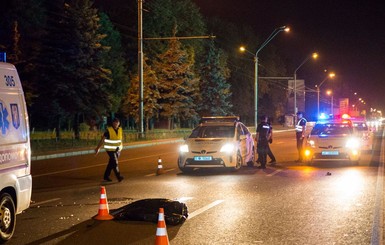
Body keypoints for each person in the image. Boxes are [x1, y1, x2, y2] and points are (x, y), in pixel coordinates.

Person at [95, 117, 124, 182]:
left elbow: (120, 139)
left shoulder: (120, 129)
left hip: (118, 150)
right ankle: (119, 177)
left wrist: (121, 147)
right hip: (110, 150)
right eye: (114, 122)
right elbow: (103, 139)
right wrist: (98, 148)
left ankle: (106, 176)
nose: (116, 124)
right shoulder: (108, 130)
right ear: (112, 123)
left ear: (119, 123)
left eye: (117, 122)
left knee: (111, 163)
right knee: (115, 162)